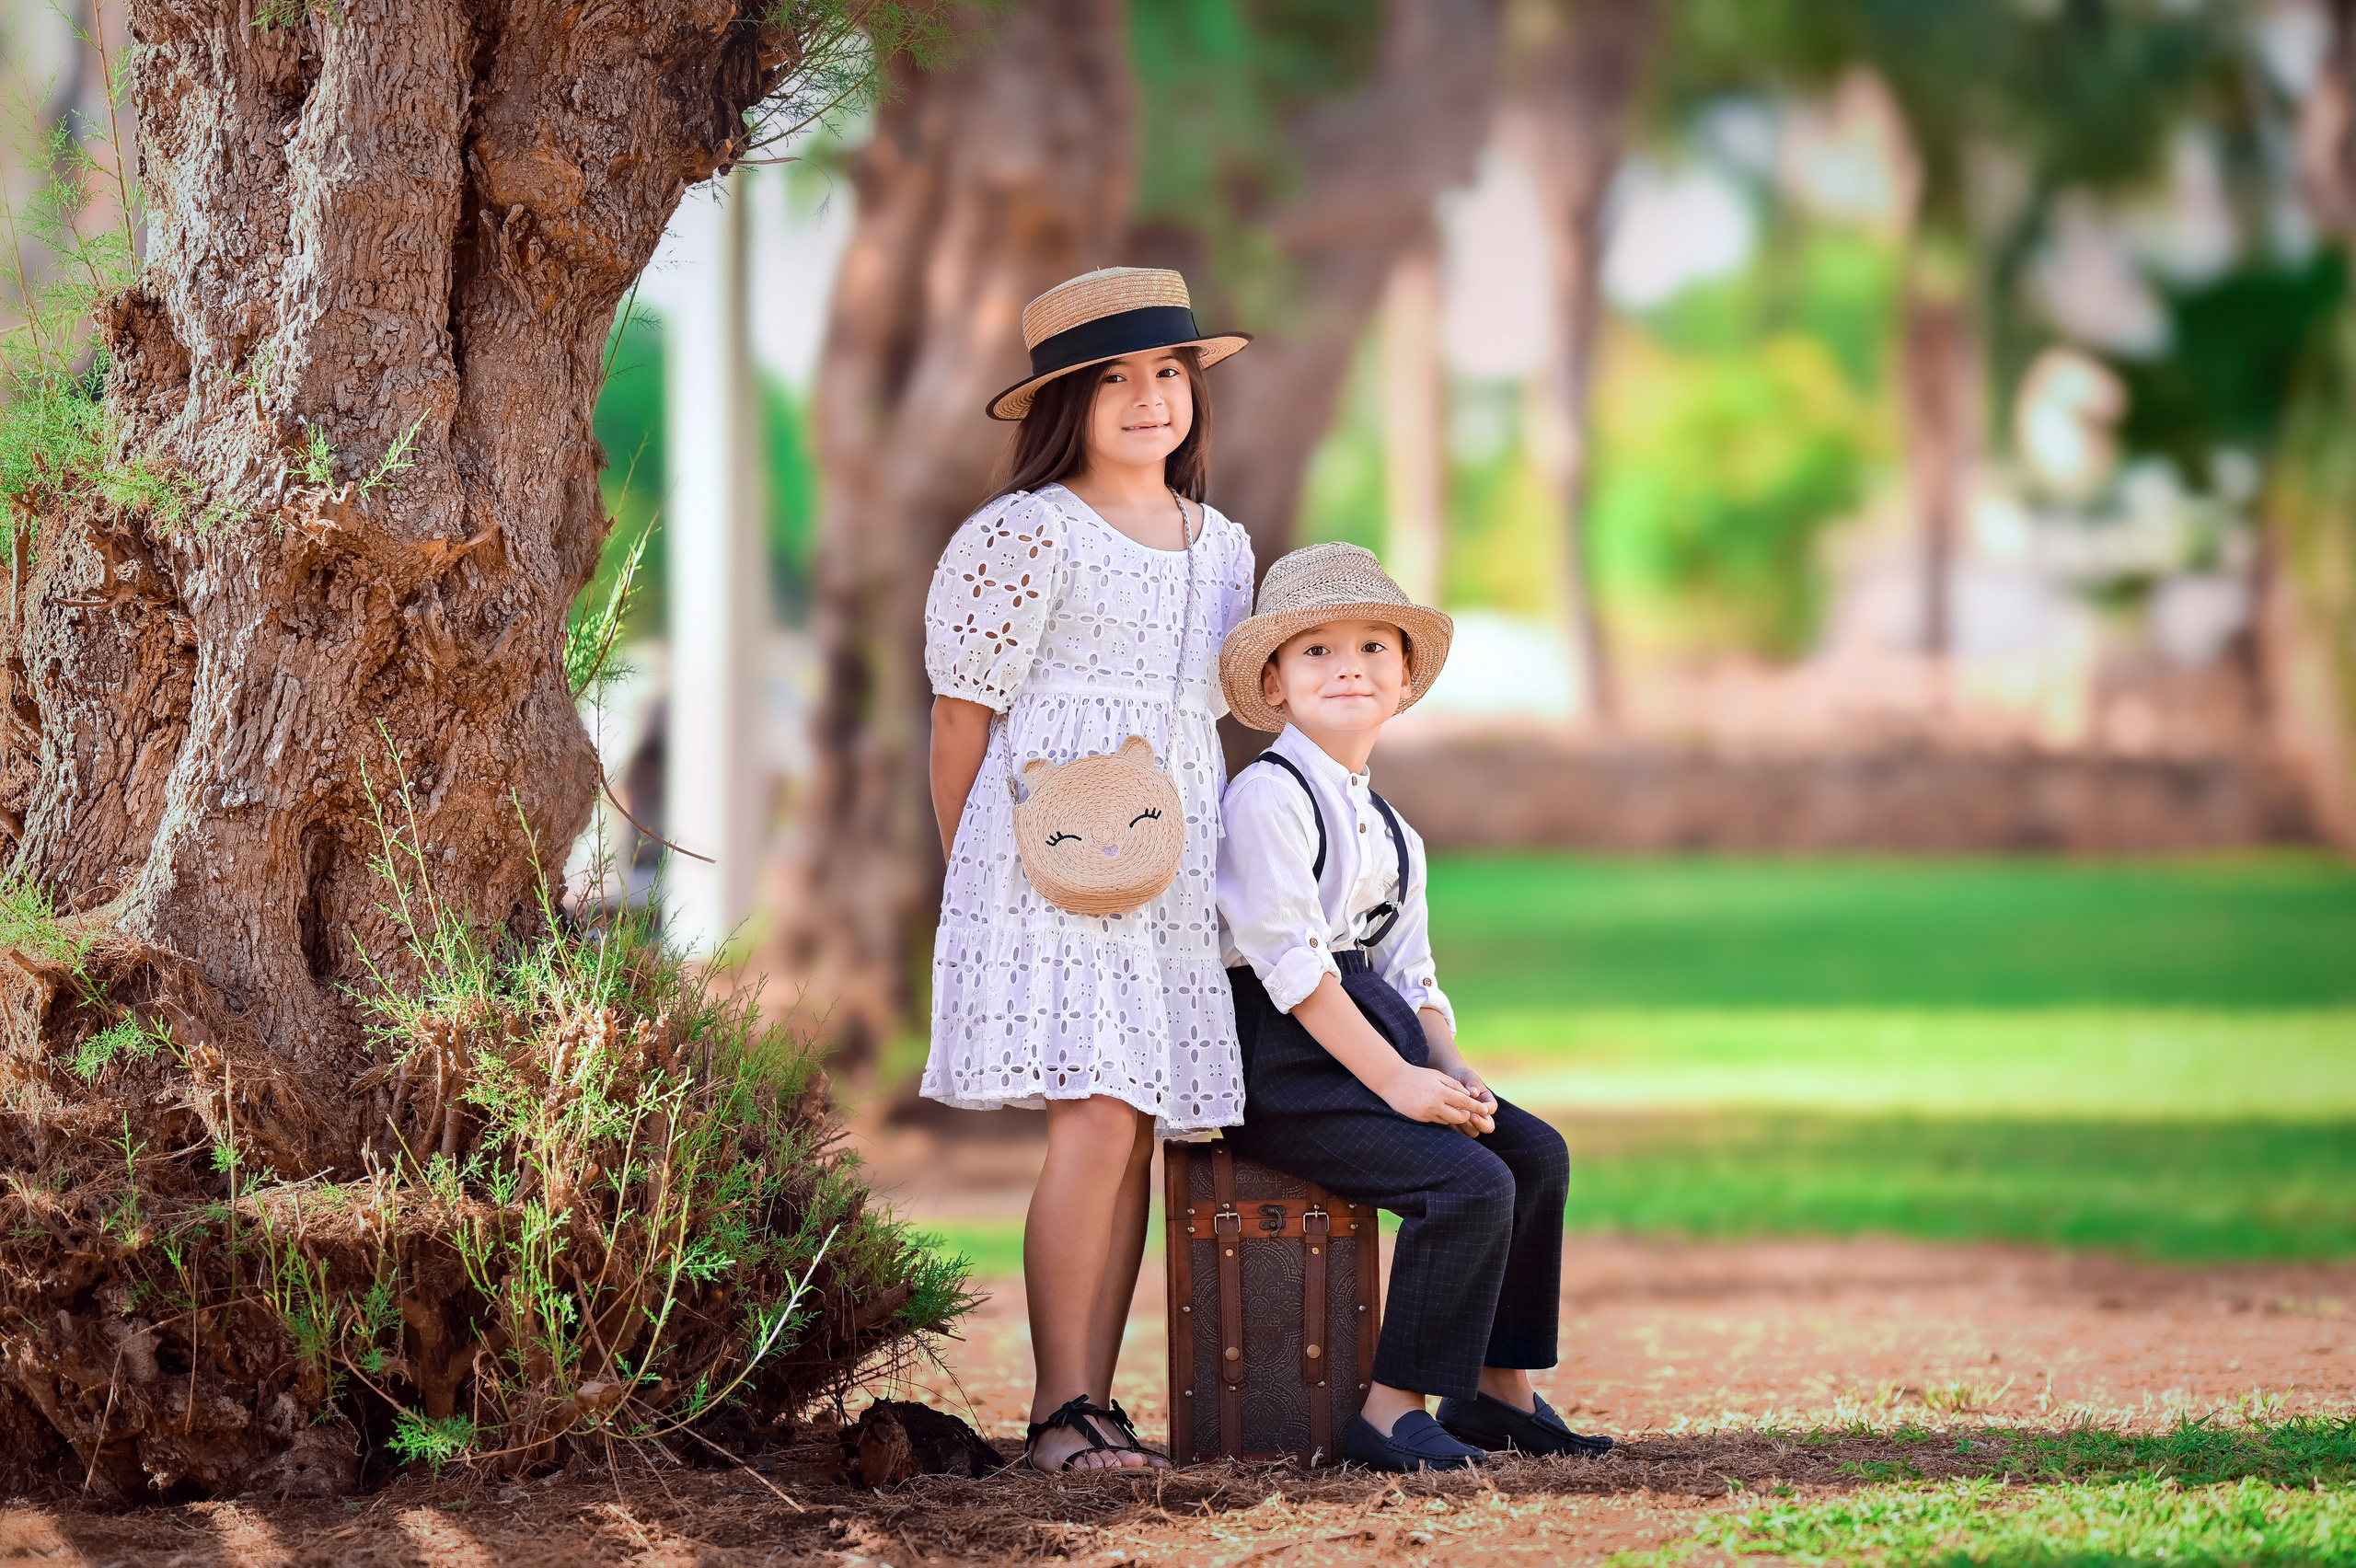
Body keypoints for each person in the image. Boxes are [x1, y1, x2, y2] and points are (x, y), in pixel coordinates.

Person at [920, 268, 1255, 1472]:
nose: (1148, 398)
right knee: (1097, 1115)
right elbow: (961, 724)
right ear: (1065, 400)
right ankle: (1060, 1409)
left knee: (1136, 1127)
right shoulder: (1023, 533)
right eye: (1112, 378)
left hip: (1167, 872)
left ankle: (1098, 1407)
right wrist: (976, 892)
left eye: (1168, 373)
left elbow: (1213, 717)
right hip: (1042, 867)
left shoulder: (1224, 547)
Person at [1212, 544, 1614, 1472]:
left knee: (1529, 1152)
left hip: (1375, 1045)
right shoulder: (1265, 800)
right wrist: (1396, 1084)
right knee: (1465, 1186)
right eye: (1314, 651)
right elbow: (1296, 971)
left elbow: (1410, 970)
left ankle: (1496, 1392)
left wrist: (1449, 1071)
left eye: (1370, 648)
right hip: (1285, 1067)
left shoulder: (1395, 829)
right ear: (1272, 685)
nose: (1346, 665)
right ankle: (1390, 1411)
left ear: (1402, 681)